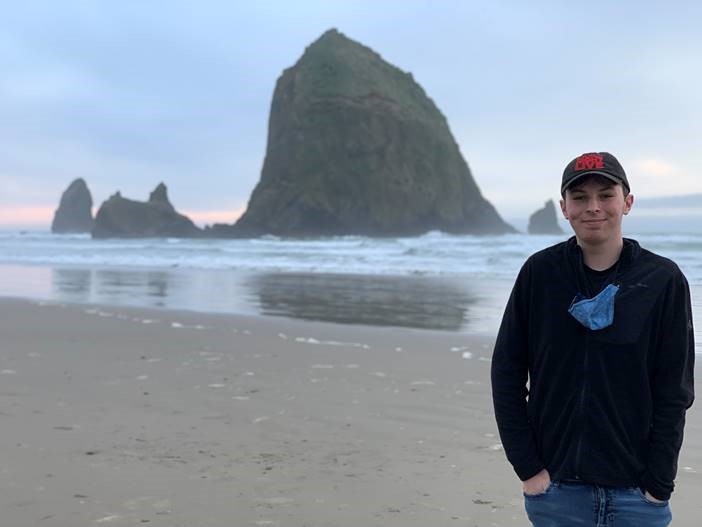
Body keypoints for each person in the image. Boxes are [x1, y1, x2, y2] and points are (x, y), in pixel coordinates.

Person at [491, 152, 695, 526]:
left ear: (627, 202)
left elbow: (674, 390)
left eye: (605, 195)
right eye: (580, 198)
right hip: (556, 492)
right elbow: (506, 373)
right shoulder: (540, 274)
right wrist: (529, 470)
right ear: (564, 208)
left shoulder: (662, 280)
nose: (593, 207)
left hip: (637, 496)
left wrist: (658, 484)